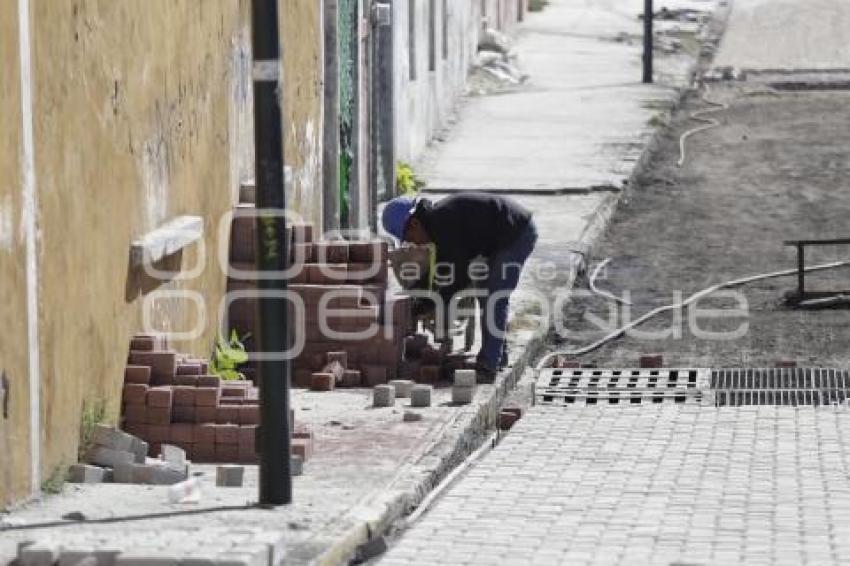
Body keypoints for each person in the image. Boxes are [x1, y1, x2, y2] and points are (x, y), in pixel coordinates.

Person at [382, 192, 538, 383]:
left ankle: (488, 366)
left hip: (516, 233)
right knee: (486, 293)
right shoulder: (437, 225)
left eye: (408, 237)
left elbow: (458, 279)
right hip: (499, 238)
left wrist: (432, 304)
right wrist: (418, 301)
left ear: (415, 224)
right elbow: (440, 271)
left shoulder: (444, 224)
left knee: (494, 296)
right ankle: (498, 355)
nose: (412, 243)